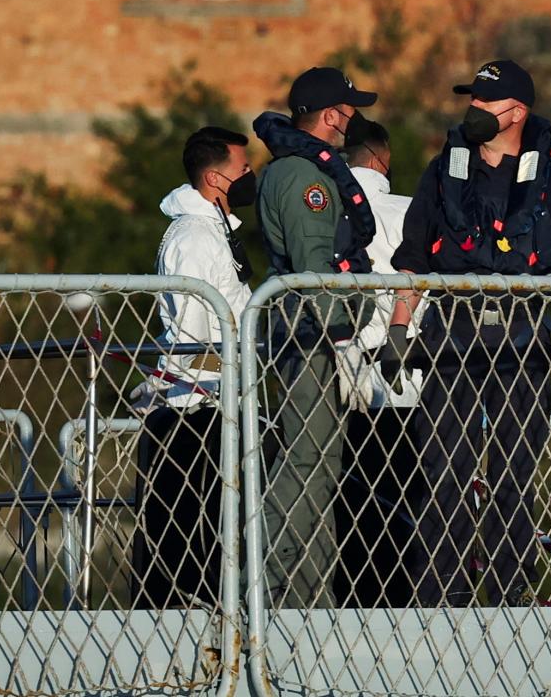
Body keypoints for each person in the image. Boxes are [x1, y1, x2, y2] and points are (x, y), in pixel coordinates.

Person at [389, 59, 551, 606]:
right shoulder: (442, 173)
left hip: (523, 341)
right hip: (451, 338)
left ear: (517, 112)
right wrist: (397, 330)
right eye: (471, 101)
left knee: (513, 474)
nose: (473, 110)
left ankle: (511, 594)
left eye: (485, 102)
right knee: (444, 473)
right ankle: (441, 598)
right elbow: (413, 260)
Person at [253, 66, 379, 608]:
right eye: (349, 110)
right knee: (305, 462)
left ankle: (308, 597)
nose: (354, 120)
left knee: (322, 469)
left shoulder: (303, 170)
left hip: (316, 334)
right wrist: (344, 339)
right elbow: (314, 270)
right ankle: (260, 584)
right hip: (313, 338)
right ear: (330, 115)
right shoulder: (305, 179)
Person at [134, 125, 256, 609]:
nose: (251, 177)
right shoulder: (192, 238)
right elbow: (190, 335)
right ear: (214, 177)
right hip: (196, 408)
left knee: (219, 534)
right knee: (191, 536)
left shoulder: (215, 232)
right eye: (243, 169)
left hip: (221, 400)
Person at [334, 115, 425, 606]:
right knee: (408, 508)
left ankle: (356, 607)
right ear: (383, 160)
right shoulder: (408, 211)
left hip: (342, 378)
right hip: (406, 376)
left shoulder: (329, 212)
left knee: (354, 511)